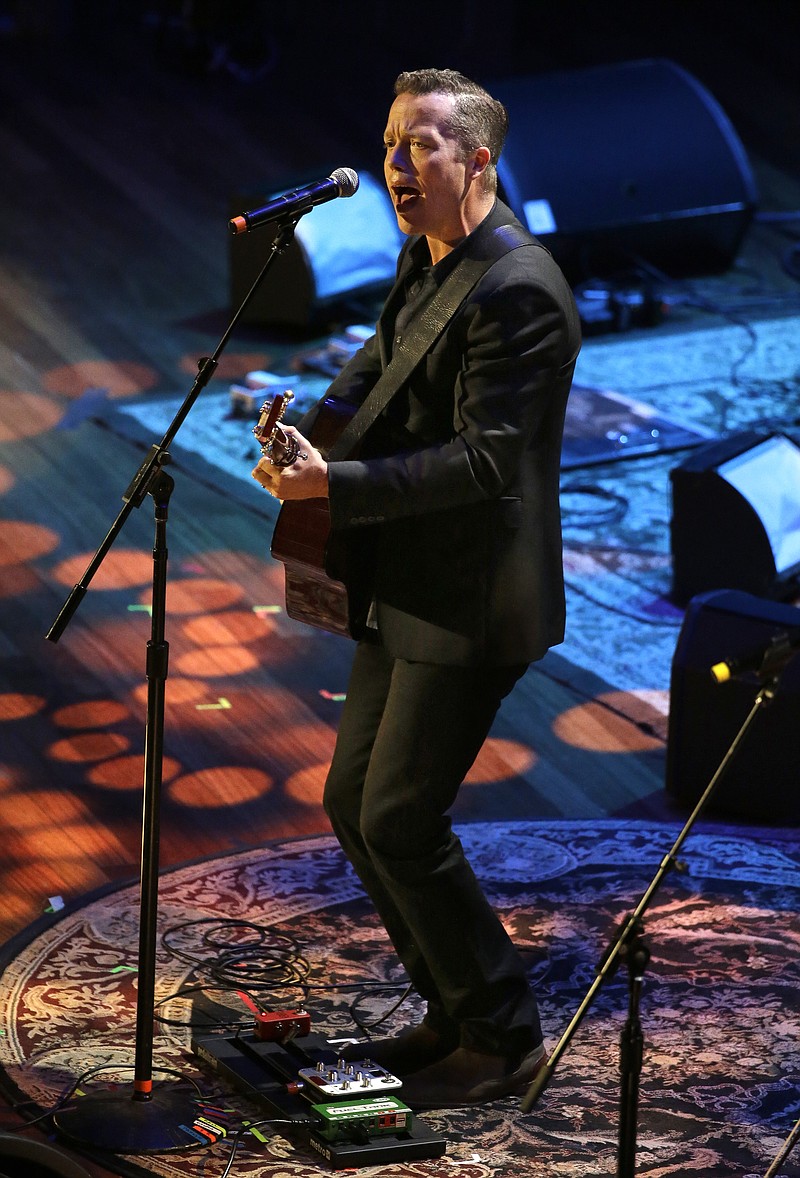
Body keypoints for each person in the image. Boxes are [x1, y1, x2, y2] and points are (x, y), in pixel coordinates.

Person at [252, 67, 581, 1108]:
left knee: (398, 813)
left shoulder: (518, 288)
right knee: (352, 801)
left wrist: (334, 486)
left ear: (475, 161)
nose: (395, 166)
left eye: (418, 147)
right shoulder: (425, 253)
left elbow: (483, 462)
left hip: (474, 595)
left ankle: (501, 1031)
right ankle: (450, 1012)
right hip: (405, 574)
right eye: (391, 144)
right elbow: (375, 368)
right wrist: (314, 433)